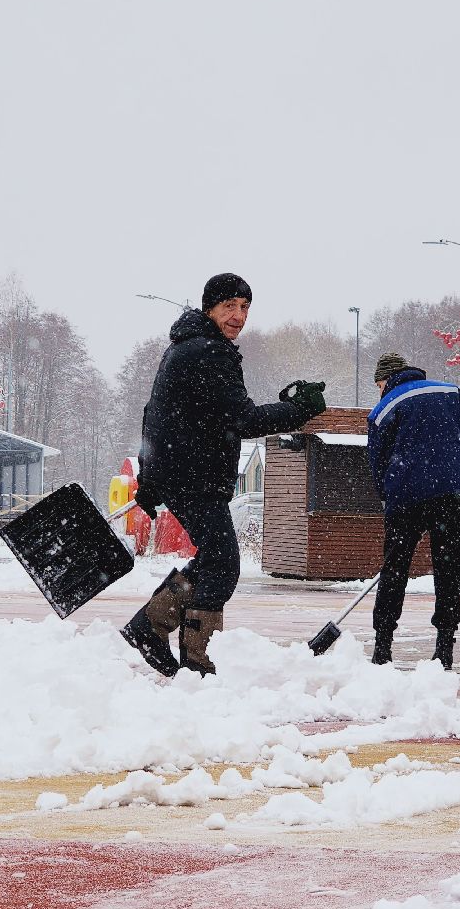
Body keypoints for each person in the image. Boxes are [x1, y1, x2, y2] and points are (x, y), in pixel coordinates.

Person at [123, 273, 326, 676]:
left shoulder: (186, 348)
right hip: (194, 476)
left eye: (245, 307)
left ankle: (150, 626)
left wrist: (152, 476)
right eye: (229, 306)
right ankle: (193, 660)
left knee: (214, 560)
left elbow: (156, 416)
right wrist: (299, 411)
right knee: (223, 566)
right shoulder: (207, 352)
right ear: (209, 308)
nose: (238, 316)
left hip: (187, 474)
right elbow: (244, 418)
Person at [366, 352, 460, 668]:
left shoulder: (383, 409)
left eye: (379, 384)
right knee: (448, 569)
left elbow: (377, 464)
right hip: (454, 490)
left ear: (384, 381)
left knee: (395, 569)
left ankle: (383, 648)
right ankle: (444, 648)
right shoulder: (449, 391)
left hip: (407, 494)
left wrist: (389, 499)